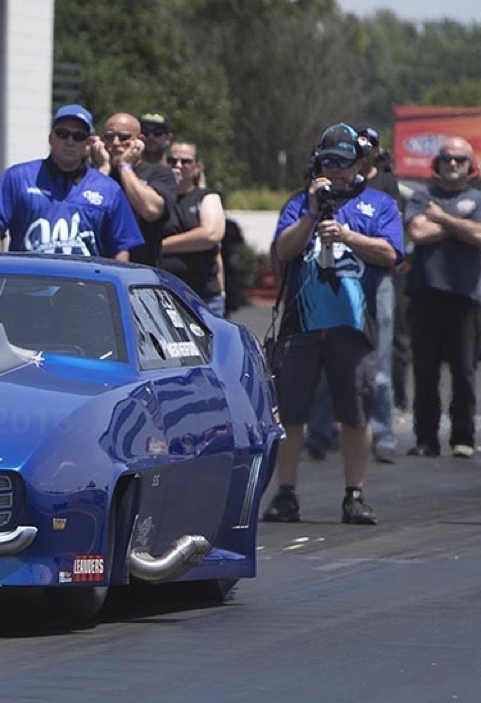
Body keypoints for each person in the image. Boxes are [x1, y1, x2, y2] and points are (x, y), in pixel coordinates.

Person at [262, 123, 403, 525]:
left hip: (353, 325)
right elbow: (283, 251)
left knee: (355, 412)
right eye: (328, 163)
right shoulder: (298, 204)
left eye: (343, 163)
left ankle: (354, 494)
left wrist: (346, 236)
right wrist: (311, 214)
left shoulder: (378, 204)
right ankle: (285, 493)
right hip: (302, 325)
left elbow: (391, 254)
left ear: (359, 164)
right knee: (291, 413)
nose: (335, 170)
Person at [0, 104, 141, 258]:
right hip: (28, 278)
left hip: (84, 280)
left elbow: (121, 247)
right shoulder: (18, 177)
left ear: (89, 144)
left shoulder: (109, 189)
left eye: (78, 136)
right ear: (51, 138)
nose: (69, 142)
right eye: (62, 134)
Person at [404, 137, 481, 459]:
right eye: (447, 158)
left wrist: (443, 219)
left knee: (464, 371)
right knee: (425, 371)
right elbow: (418, 232)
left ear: (470, 165)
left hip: (466, 296)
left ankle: (463, 437)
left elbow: (479, 236)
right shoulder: (423, 195)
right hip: (426, 294)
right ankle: (426, 439)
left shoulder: (477, 198)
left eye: (459, 159)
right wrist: (463, 227)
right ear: (437, 162)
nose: (452, 164)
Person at [90, 112, 176, 267]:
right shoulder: (93, 174)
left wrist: (125, 167)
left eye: (123, 137)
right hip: (95, 268)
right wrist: (103, 168)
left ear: (139, 141)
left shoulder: (159, 173)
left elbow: (151, 211)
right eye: (109, 137)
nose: (116, 143)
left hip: (141, 269)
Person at [160, 142, 227, 315]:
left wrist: (161, 246)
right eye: (172, 160)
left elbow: (210, 235)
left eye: (186, 161)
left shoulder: (206, 197)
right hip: (160, 295)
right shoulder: (155, 199)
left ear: (197, 167)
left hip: (203, 297)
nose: (178, 165)